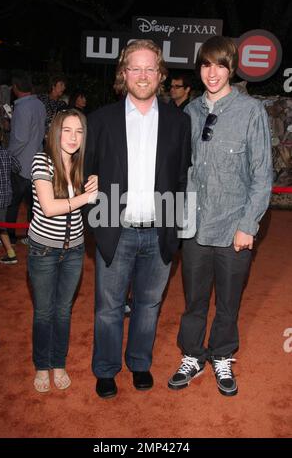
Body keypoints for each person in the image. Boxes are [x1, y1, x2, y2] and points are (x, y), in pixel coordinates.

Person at [84, 39, 191, 399]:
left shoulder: (179, 121)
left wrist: (175, 231)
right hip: (117, 229)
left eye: (150, 68)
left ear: (160, 75)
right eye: (135, 68)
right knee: (108, 307)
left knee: (149, 305)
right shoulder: (100, 120)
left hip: (160, 230)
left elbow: (181, 178)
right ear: (123, 73)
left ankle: (140, 363)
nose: (142, 75)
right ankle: (105, 368)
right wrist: (98, 222)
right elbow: (87, 173)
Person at [168, 36, 273, 396]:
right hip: (194, 225)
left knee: (228, 301)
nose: (213, 73)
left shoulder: (250, 111)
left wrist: (248, 225)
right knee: (194, 300)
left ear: (231, 68)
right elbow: (180, 170)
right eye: (206, 65)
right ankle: (193, 354)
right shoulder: (189, 112)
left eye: (220, 65)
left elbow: (262, 175)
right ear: (200, 69)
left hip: (233, 228)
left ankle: (223, 354)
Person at [28, 109, 97, 393]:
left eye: (78, 131)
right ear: (55, 133)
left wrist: (97, 183)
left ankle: (59, 363)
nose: (72, 137)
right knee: (44, 312)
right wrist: (85, 196)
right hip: (43, 250)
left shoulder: (83, 166)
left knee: (64, 311)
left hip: (75, 251)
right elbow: (49, 208)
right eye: (66, 130)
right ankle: (42, 366)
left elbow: (93, 204)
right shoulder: (42, 162)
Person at [6, 70, 46, 246]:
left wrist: (8, 155)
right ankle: (33, 236)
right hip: (37, 162)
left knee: (13, 204)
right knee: (34, 205)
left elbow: (20, 138)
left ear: (15, 88)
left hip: (20, 165)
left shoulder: (22, 108)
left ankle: (10, 237)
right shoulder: (39, 104)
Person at [0, 124, 21, 263]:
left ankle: (11, 254)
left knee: (0, 226)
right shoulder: (7, 153)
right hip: (6, 195)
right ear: (1, 137)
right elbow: (17, 167)